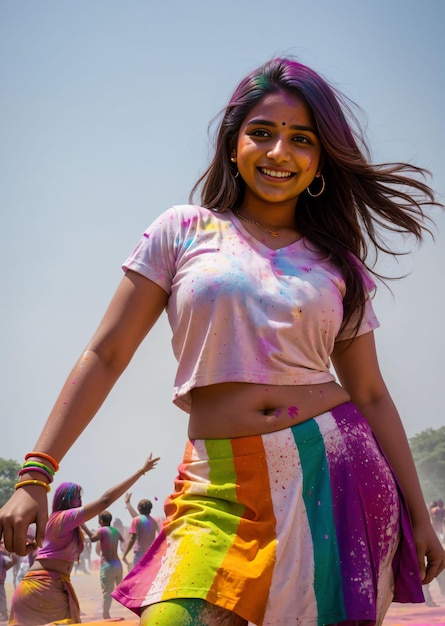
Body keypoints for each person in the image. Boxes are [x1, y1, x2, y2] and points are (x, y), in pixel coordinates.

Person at [0, 57, 444, 626]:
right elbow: (105, 355)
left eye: (301, 139)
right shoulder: (182, 231)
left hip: (335, 475)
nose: (279, 152)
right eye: (262, 133)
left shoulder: (339, 266)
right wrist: (36, 474)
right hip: (218, 483)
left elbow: (372, 393)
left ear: (320, 161)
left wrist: (420, 516)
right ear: (234, 144)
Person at [6, 454, 158, 625]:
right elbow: (105, 500)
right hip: (42, 588)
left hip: (51, 586)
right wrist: (141, 471)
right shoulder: (63, 518)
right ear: (67, 499)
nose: (81, 502)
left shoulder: (64, 522)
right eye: (78, 497)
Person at [83, 510, 124, 619]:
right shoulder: (115, 530)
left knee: (107, 593)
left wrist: (83, 525)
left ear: (101, 521)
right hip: (118, 566)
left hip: (108, 566)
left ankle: (106, 614)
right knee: (121, 591)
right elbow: (122, 539)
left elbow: (92, 538)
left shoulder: (101, 530)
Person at [122, 493, 159, 568]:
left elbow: (132, 539)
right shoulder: (154, 521)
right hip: (150, 554)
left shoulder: (136, 520)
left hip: (139, 554)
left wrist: (125, 554)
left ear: (138, 508)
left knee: (138, 577)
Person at [0, 541, 17, 622]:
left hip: (0, 579)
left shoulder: (2, 553)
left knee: (2, 597)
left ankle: (4, 614)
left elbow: (12, 562)